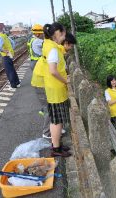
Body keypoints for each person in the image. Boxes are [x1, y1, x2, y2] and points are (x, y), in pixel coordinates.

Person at [31, 32, 76, 139]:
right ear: (66, 43)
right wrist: (65, 81)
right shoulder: (56, 50)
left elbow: (60, 68)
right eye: (71, 45)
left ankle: (55, 128)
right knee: (49, 108)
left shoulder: (57, 49)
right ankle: (47, 133)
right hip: (42, 81)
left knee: (51, 107)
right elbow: (53, 71)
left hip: (45, 80)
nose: (71, 48)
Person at [42, 22, 71, 157]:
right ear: (58, 33)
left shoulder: (49, 44)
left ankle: (57, 145)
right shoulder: (53, 48)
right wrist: (66, 80)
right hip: (55, 88)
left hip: (53, 87)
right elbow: (53, 71)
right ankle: (56, 148)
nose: (64, 36)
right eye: (63, 33)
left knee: (56, 120)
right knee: (57, 121)